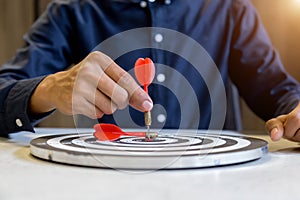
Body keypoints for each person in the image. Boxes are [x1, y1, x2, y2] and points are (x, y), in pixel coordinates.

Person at [1, 0, 300, 142]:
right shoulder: (70, 11)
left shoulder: (231, 8)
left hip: (213, 183)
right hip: (104, 185)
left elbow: (278, 92)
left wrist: (295, 113)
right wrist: (50, 89)